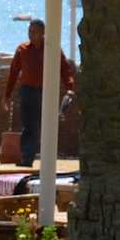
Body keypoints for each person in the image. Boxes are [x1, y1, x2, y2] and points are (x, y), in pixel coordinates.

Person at [5, 17, 75, 158]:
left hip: (46, 91)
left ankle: (46, 155)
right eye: (29, 31)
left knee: (46, 123)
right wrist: (7, 95)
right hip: (27, 90)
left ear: (43, 32)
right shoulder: (22, 49)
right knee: (28, 124)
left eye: (34, 31)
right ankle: (27, 157)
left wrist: (70, 87)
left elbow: (65, 69)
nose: (31, 34)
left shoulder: (52, 49)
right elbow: (13, 73)